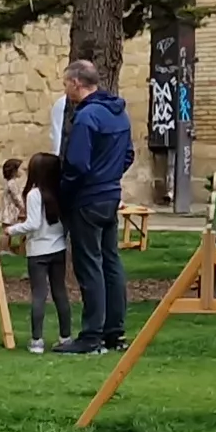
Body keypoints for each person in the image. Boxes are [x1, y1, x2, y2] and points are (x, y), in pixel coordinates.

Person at [59, 59, 136, 351]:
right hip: (110, 195)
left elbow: (77, 163)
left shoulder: (87, 116)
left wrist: (65, 191)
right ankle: (114, 332)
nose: (65, 89)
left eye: (66, 83)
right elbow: (128, 154)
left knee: (89, 264)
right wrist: (110, 175)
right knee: (111, 262)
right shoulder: (118, 114)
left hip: (87, 199)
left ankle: (91, 334)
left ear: (77, 83)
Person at [18, 150, 78, 352]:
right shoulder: (61, 192)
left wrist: (11, 230)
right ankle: (65, 336)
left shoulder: (35, 194)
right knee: (60, 292)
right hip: (58, 248)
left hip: (38, 251)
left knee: (39, 295)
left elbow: (33, 224)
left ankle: (37, 340)